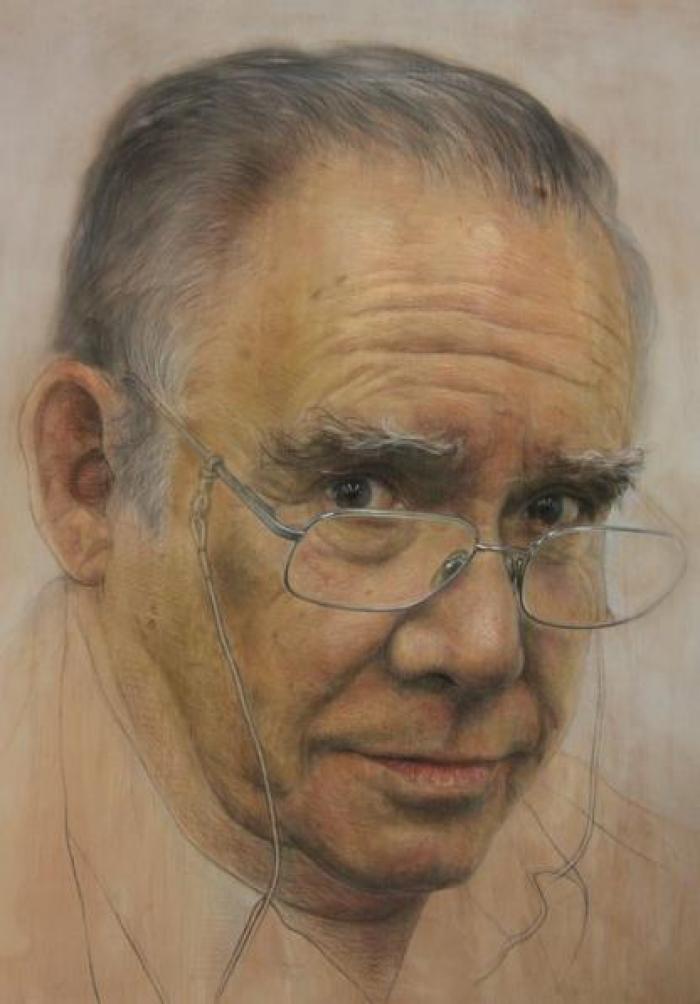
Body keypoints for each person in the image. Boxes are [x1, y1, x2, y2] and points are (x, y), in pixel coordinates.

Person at [2, 45, 697, 1002]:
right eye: (361, 493)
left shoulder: (662, 914)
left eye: (555, 508)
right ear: (91, 478)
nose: (486, 646)